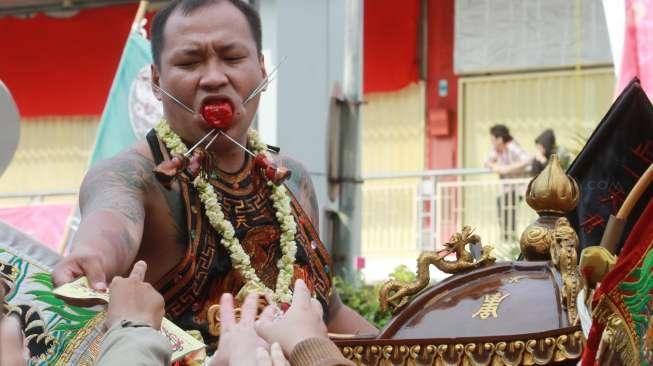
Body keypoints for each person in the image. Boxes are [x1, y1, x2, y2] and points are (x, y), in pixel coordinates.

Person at [53, 0, 377, 351]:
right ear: (157, 82)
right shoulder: (136, 175)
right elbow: (109, 226)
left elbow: (326, 310)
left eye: (233, 57)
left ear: (263, 70)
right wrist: (92, 256)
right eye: (189, 62)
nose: (213, 77)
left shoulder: (292, 178)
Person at [484, 124, 531, 242]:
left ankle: (510, 235)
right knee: (503, 204)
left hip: (519, 186)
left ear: (499, 139)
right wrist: (496, 167)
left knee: (507, 204)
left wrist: (508, 169)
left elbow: (527, 160)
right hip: (508, 188)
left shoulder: (512, 147)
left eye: (493, 139)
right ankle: (507, 235)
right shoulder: (497, 150)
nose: (492, 142)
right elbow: (487, 161)